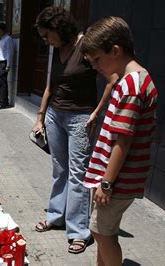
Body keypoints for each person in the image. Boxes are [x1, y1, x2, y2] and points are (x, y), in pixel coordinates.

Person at [32, 6, 115, 254]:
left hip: (80, 118)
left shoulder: (85, 45)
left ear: (59, 27)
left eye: (48, 35)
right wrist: (40, 118)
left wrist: (96, 112)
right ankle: (56, 216)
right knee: (60, 170)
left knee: (78, 174)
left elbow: (112, 79)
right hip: (54, 116)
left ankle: (79, 231)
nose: (46, 41)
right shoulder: (56, 51)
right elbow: (50, 86)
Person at [81, 17, 158, 266]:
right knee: (100, 230)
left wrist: (106, 182)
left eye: (97, 60)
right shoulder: (130, 79)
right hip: (119, 178)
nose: (95, 67)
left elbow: (123, 141)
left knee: (104, 232)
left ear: (115, 50)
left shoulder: (131, 86)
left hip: (118, 179)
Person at [0, 23, 14, 109]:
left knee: (2, 83)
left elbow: (10, 52)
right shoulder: (2, 39)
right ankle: (4, 101)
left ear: (3, 30)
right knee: (0, 82)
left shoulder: (8, 39)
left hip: (4, 62)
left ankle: (2, 102)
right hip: (0, 62)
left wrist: (8, 65)